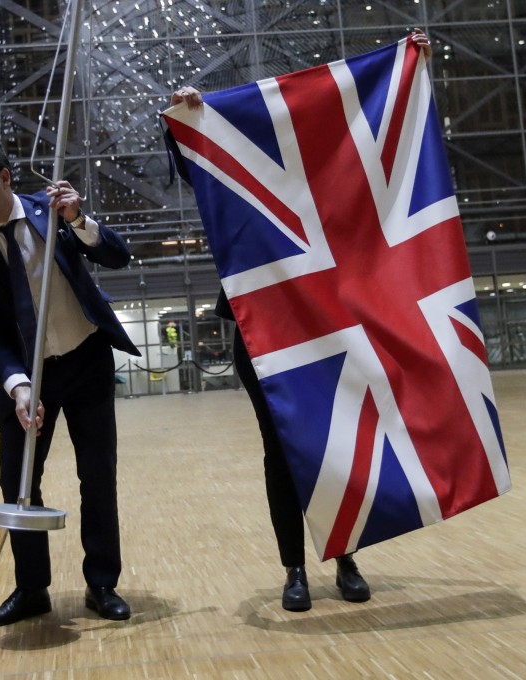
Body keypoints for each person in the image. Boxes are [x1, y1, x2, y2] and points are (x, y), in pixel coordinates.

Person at [169, 30, 432, 612]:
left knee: (339, 442)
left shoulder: (338, 183)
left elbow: (383, 167)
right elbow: (211, 176)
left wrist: (409, 70)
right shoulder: (256, 184)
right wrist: (188, 121)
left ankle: (346, 556)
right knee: (283, 449)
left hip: (332, 327)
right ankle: (294, 567)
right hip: (264, 337)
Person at [0, 140, 141, 628]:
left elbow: (118, 256)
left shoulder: (52, 211)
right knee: (18, 484)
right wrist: (18, 386)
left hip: (86, 361)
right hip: (25, 382)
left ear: (5, 179)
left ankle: (102, 584)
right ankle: (32, 590)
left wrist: (78, 220)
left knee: (97, 475)